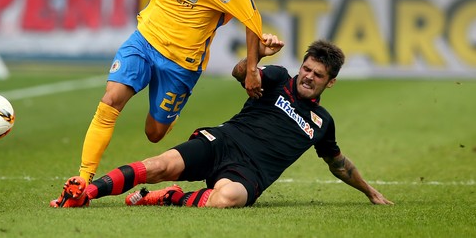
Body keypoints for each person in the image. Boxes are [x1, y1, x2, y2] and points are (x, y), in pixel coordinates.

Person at [52, 0, 265, 204]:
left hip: (181, 64)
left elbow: (252, 21)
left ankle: (168, 115)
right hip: (146, 38)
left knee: (155, 133)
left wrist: (252, 69)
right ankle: (83, 179)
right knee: (111, 99)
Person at [50, 35, 394, 208]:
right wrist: (257, 53)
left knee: (225, 199)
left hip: (250, 174)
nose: (307, 77)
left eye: (317, 75)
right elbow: (241, 72)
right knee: (159, 163)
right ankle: (84, 194)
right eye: (306, 68)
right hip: (224, 141)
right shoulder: (275, 78)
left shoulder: (322, 121)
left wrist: (369, 191)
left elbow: (339, 164)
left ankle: (166, 198)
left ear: (329, 82)